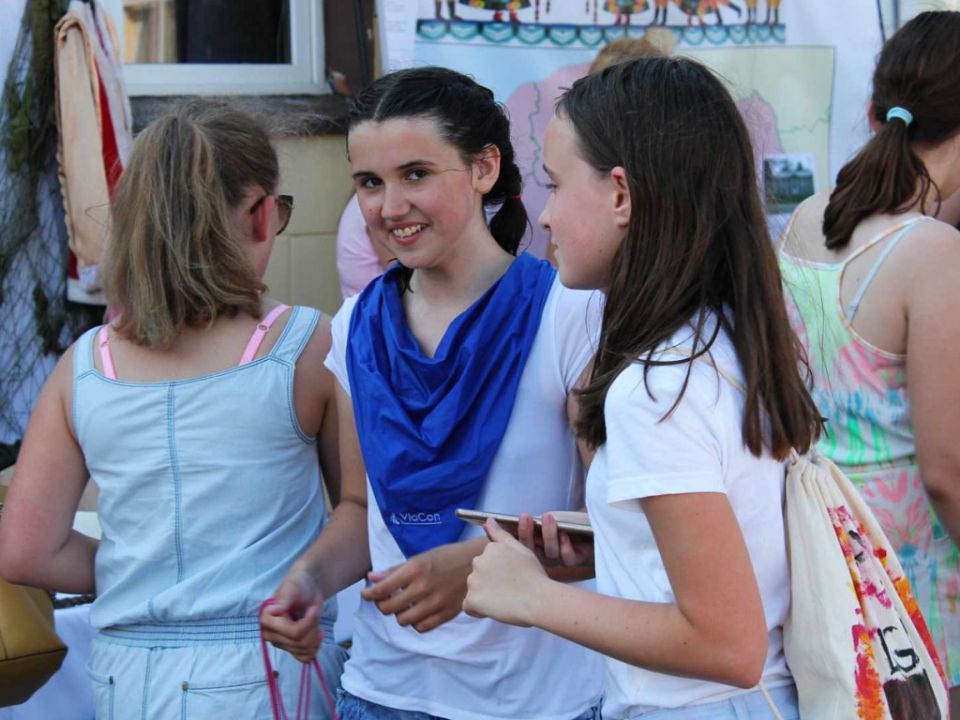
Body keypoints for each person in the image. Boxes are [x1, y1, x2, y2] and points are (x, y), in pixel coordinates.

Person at [462, 56, 822, 719]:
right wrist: (617, 543)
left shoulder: (657, 388)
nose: (546, 216)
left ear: (621, 195)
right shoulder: (720, 339)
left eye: (556, 185)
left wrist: (533, 597)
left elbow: (727, 643)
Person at [260, 66, 604, 720]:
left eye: (415, 174)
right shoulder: (357, 325)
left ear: (484, 168)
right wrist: (309, 580)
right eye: (370, 182)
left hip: (536, 702)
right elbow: (361, 508)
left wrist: (476, 564)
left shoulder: (569, 314)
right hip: (381, 692)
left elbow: (614, 526)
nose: (390, 207)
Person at [0, 100, 346, 719]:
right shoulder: (304, 345)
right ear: (261, 213)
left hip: (125, 676)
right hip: (265, 662)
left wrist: (145, 572)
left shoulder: (84, 365)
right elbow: (361, 510)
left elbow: (25, 549)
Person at [776, 10, 960, 706]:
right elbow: (946, 473)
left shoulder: (806, 219)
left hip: (823, 564)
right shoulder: (933, 254)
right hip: (918, 588)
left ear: (874, 111)